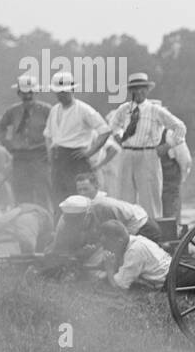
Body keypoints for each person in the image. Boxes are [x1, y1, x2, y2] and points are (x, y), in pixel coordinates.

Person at [105, 72, 185, 221]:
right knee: (125, 198)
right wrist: (118, 136)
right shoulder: (123, 109)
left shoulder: (155, 110)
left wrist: (167, 146)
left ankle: (154, 232)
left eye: (143, 88)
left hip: (148, 155)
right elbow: (113, 125)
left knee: (150, 198)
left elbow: (180, 128)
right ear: (130, 91)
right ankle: (128, 233)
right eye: (135, 88)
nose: (139, 92)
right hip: (127, 153)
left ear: (147, 90)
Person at [43, 70, 110, 210]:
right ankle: (60, 229)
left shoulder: (84, 109)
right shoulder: (55, 110)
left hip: (75, 158)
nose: (61, 95)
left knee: (77, 198)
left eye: (65, 92)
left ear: (72, 90)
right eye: (58, 92)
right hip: (58, 159)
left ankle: (82, 230)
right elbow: (48, 134)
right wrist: (50, 153)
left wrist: (89, 152)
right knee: (58, 197)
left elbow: (104, 130)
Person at [0, 74, 53, 210]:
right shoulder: (13, 111)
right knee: (21, 191)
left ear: (37, 92)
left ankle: (44, 225)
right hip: (20, 157)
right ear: (19, 93)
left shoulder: (47, 110)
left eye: (31, 93)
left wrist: (51, 149)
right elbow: (0, 127)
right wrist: (7, 144)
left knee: (41, 192)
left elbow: (58, 129)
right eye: (24, 93)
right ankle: (22, 224)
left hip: (40, 156)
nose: (28, 96)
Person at [75, 169, 164, 241]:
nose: (82, 193)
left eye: (86, 189)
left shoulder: (99, 204)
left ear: (96, 186)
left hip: (144, 229)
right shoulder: (92, 203)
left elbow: (112, 234)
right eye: (80, 190)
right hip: (138, 227)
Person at [96, 220, 173, 291]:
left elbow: (119, 287)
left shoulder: (133, 251)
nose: (105, 249)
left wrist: (109, 269)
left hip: (172, 278)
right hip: (173, 267)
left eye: (107, 245)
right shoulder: (132, 240)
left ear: (119, 241)